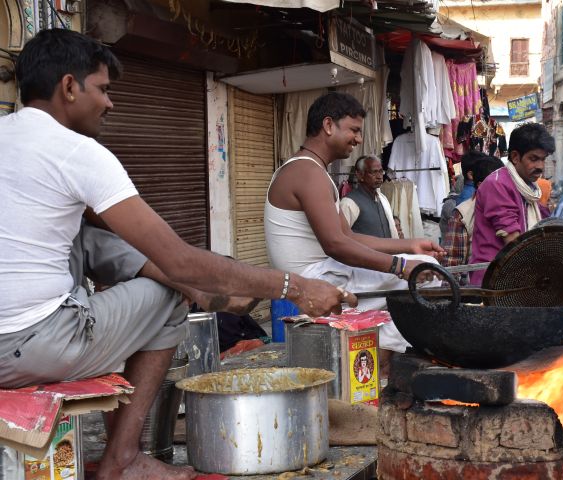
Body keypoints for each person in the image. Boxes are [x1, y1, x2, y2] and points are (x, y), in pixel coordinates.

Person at [0, 29, 352, 480]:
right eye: (104, 90)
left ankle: (198, 294)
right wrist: (293, 286)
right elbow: (178, 259)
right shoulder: (77, 153)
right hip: (32, 343)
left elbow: (108, 243)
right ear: (69, 87)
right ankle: (122, 458)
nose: (111, 104)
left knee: (88, 239)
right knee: (168, 295)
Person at [264, 91, 445, 355]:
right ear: (328, 125)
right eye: (354, 130)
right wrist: (401, 266)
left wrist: (409, 245)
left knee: (425, 270)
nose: (359, 139)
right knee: (428, 274)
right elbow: (336, 244)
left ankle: (383, 352)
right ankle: (386, 356)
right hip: (317, 278)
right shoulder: (307, 172)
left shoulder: (311, 170)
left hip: (326, 271)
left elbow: (347, 235)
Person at [468, 123, 555, 285]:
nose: (540, 167)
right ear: (515, 157)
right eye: (534, 159)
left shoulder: (531, 188)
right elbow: (514, 241)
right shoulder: (497, 184)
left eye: (543, 159)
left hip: (519, 276)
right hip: (494, 280)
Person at [441, 154, 504, 276]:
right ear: (481, 185)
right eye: (498, 185)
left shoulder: (512, 208)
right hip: (476, 287)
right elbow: (452, 266)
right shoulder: (462, 214)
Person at [339, 155, 398, 238]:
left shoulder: (382, 199)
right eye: (374, 172)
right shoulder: (349, 203)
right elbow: (340, 238)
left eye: (381, 171)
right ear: (360, 175)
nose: (379, 176)